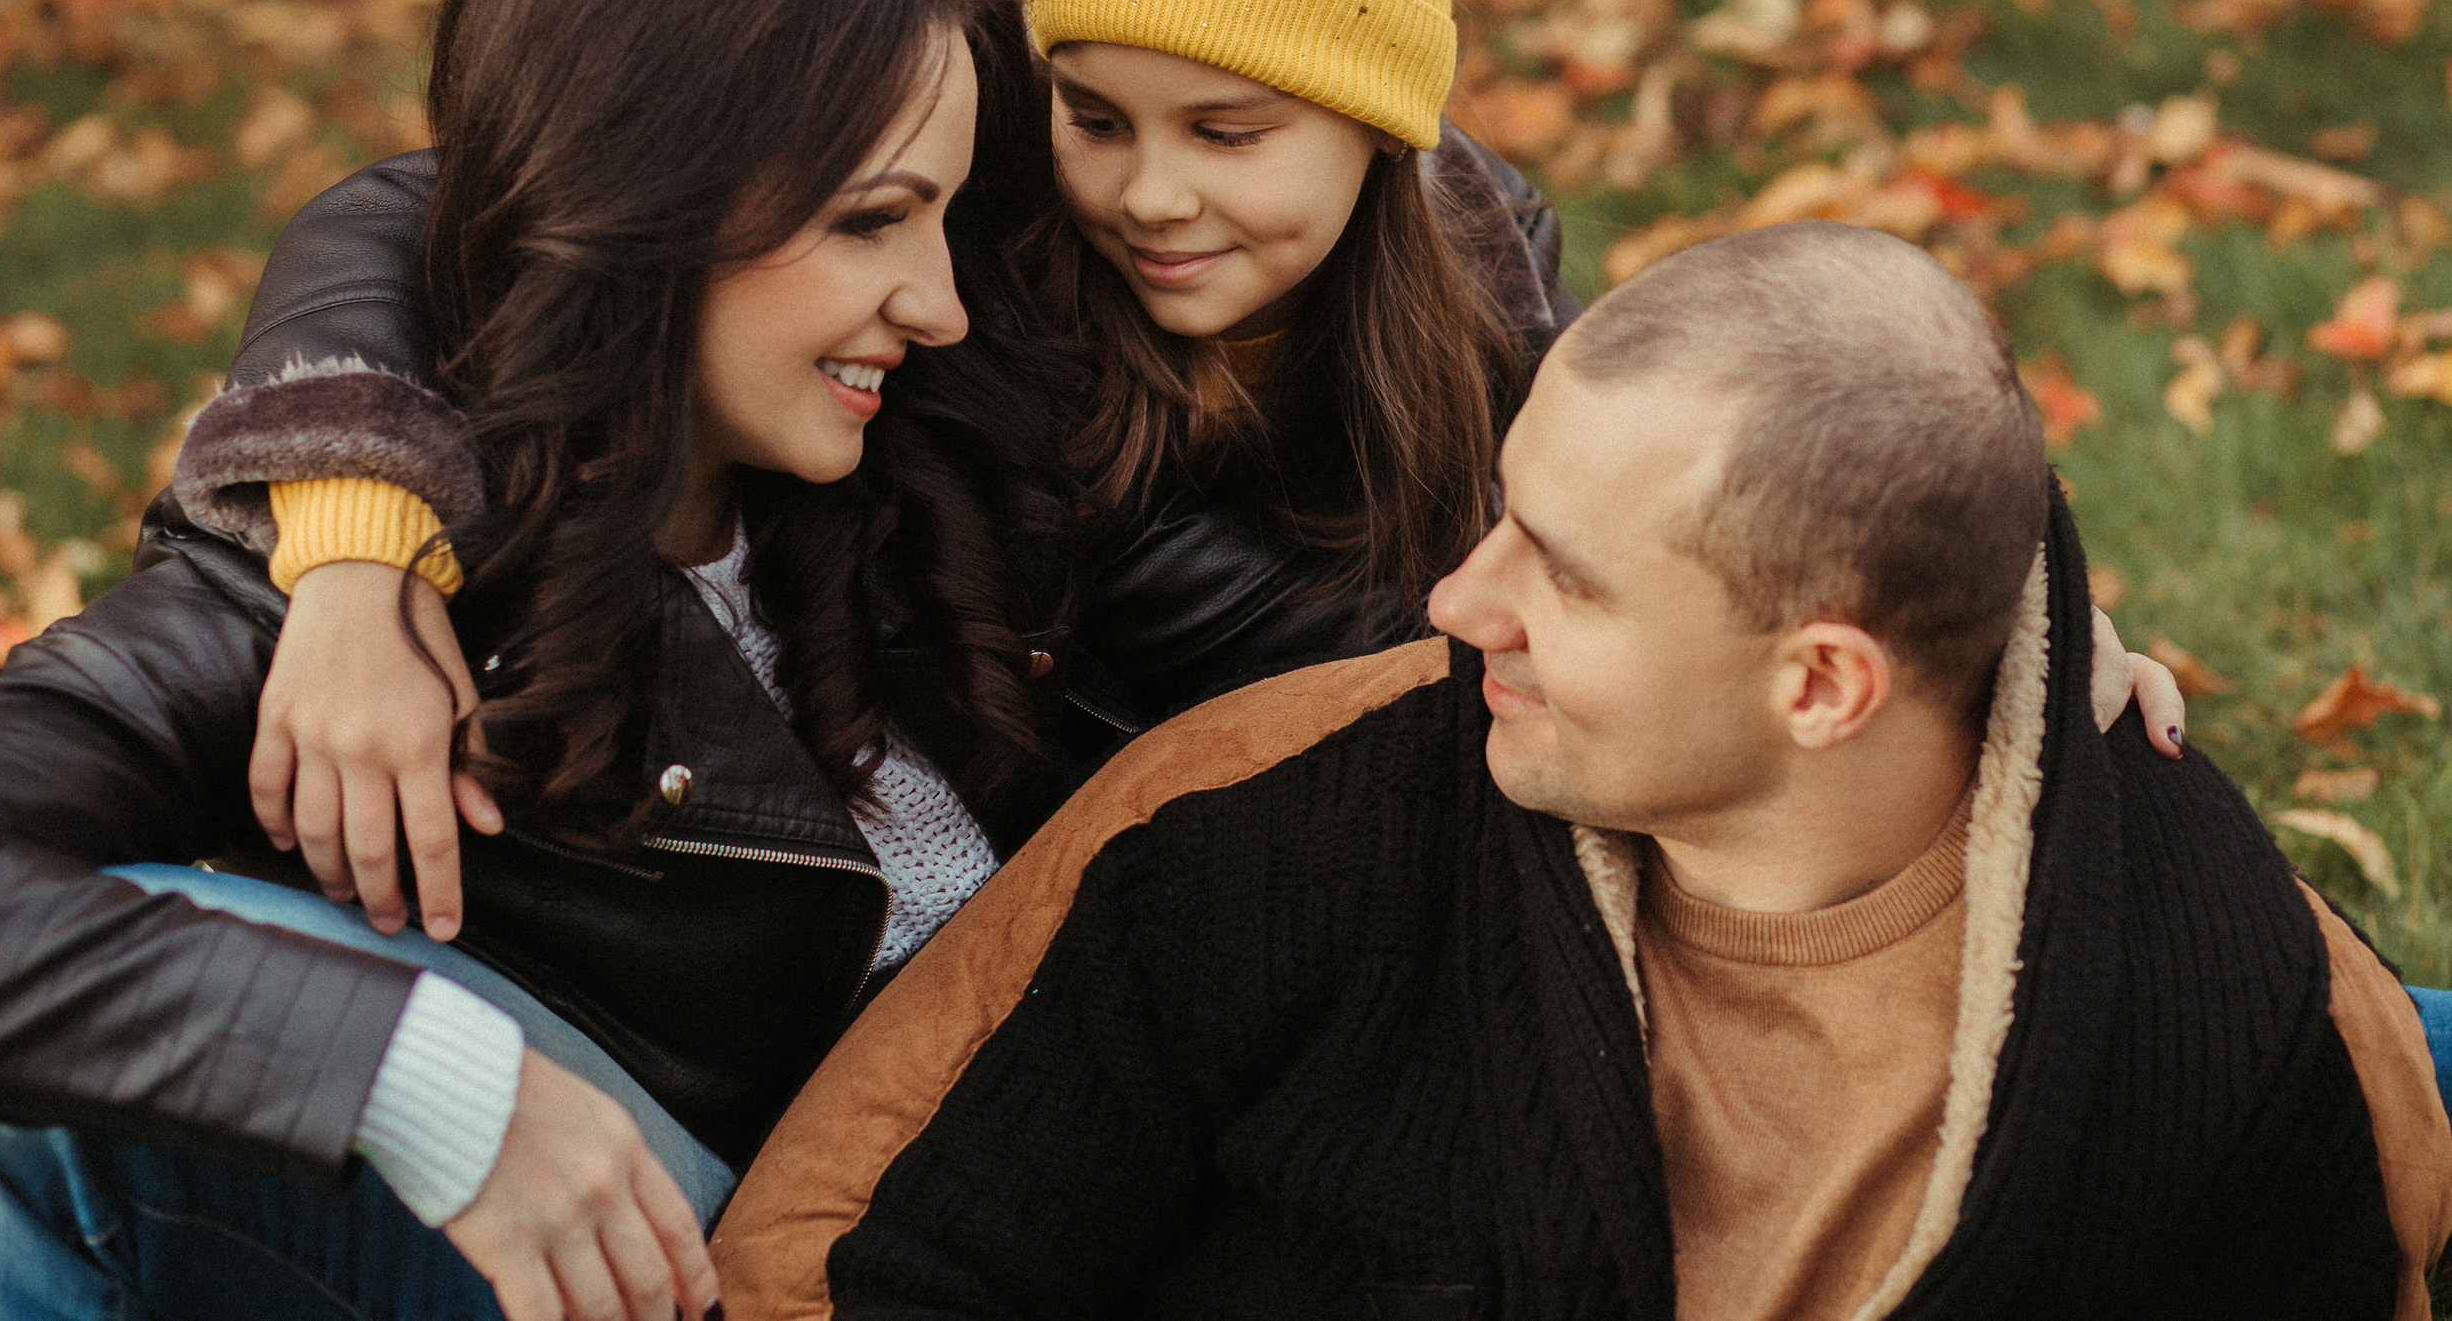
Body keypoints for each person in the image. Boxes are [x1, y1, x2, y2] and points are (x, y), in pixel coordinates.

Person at [164, 0, 2182, 949]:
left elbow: (1723, 468)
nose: (1146, 193)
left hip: (1454, 852)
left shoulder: (1468, 289)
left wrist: (1979, 624)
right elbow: (429, 208)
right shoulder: (958, 282)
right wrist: (351, 542)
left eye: (1233, 132)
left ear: (1380, 130)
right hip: (1135, 924)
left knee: (2086, 907)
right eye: (1095, 105)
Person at [716, 220, 2452, 1321]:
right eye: (1500, 517)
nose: (1463, 602)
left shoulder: (2227, 1017)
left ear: (1824, 682)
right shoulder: (1260, 826)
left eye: (1569, 570)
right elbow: (830, 1252)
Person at [0, 0, 1072, 1321]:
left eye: (944, 219)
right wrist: (427, 1080)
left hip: (1068, 1211)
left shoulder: (949, 451)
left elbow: (1302, 208)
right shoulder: (365, 607)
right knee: (26, 1069)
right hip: (689, 1260)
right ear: (651, 209)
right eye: (871, 222)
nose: (941, 301)